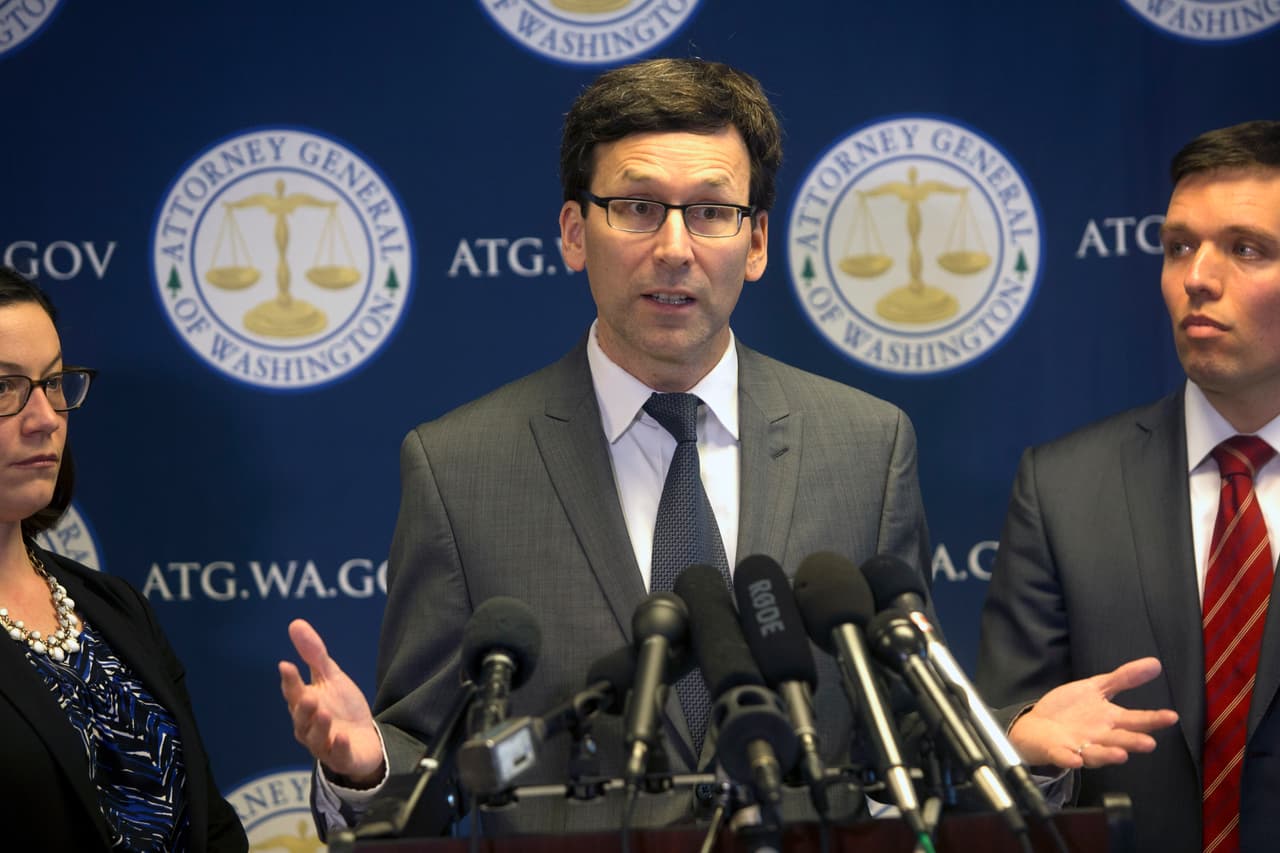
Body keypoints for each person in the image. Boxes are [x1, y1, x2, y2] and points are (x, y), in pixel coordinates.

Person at [280, 57, 936, 836]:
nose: (673, 247)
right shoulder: (459, 467)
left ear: (756, 242)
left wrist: (1017, 746)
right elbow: (425, 760)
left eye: (711, 213)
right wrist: (364, 766)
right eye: (635, 207)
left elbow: (906, 732)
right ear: (572, 233)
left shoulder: (867, 445)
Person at [976, 120, 1280, 853]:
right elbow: (1001, 732)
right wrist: (1028, 748)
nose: (1198, 277)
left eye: (1247, 249)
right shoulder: (1063, 487)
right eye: (1179, 246)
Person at [0, 268, 248, 851]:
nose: (45, 419)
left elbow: (210, 826)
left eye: (54, 382)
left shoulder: (116, 607)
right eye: (3, 389)